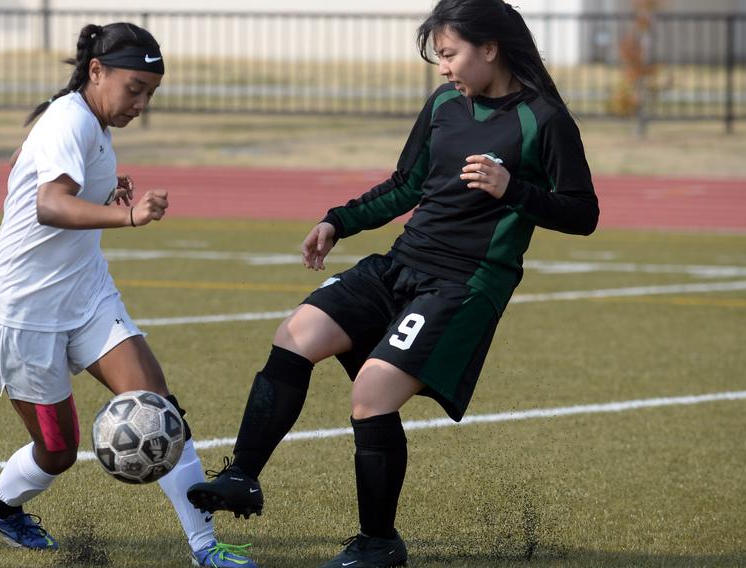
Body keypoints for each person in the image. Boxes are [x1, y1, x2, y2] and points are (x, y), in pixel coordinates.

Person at [187, 1, 599, 566]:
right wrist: (338, 220)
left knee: (371, 395)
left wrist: (512, 190)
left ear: (490, 48)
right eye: (438, 57)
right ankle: (242, 476)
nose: (443, 67)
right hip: (401, 263)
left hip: (463, 285)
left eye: (449, 54)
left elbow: (583, 213)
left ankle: (379, 543)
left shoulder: (544, 119)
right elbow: (408, 184)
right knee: (297, 333)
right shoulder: (444, 105)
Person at [0, 22, 257, 568]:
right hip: (22, 314)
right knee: (57, 452)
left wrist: (105, 190)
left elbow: (37, 174)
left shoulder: (89, 121)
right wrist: (125, 214)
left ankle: (207, 549)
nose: (142, 104)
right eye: (135, 89)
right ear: (96, 72)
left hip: (85, 295)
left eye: (150, 93)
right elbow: (49, 205)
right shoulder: (68, 118)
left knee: (160, 409)